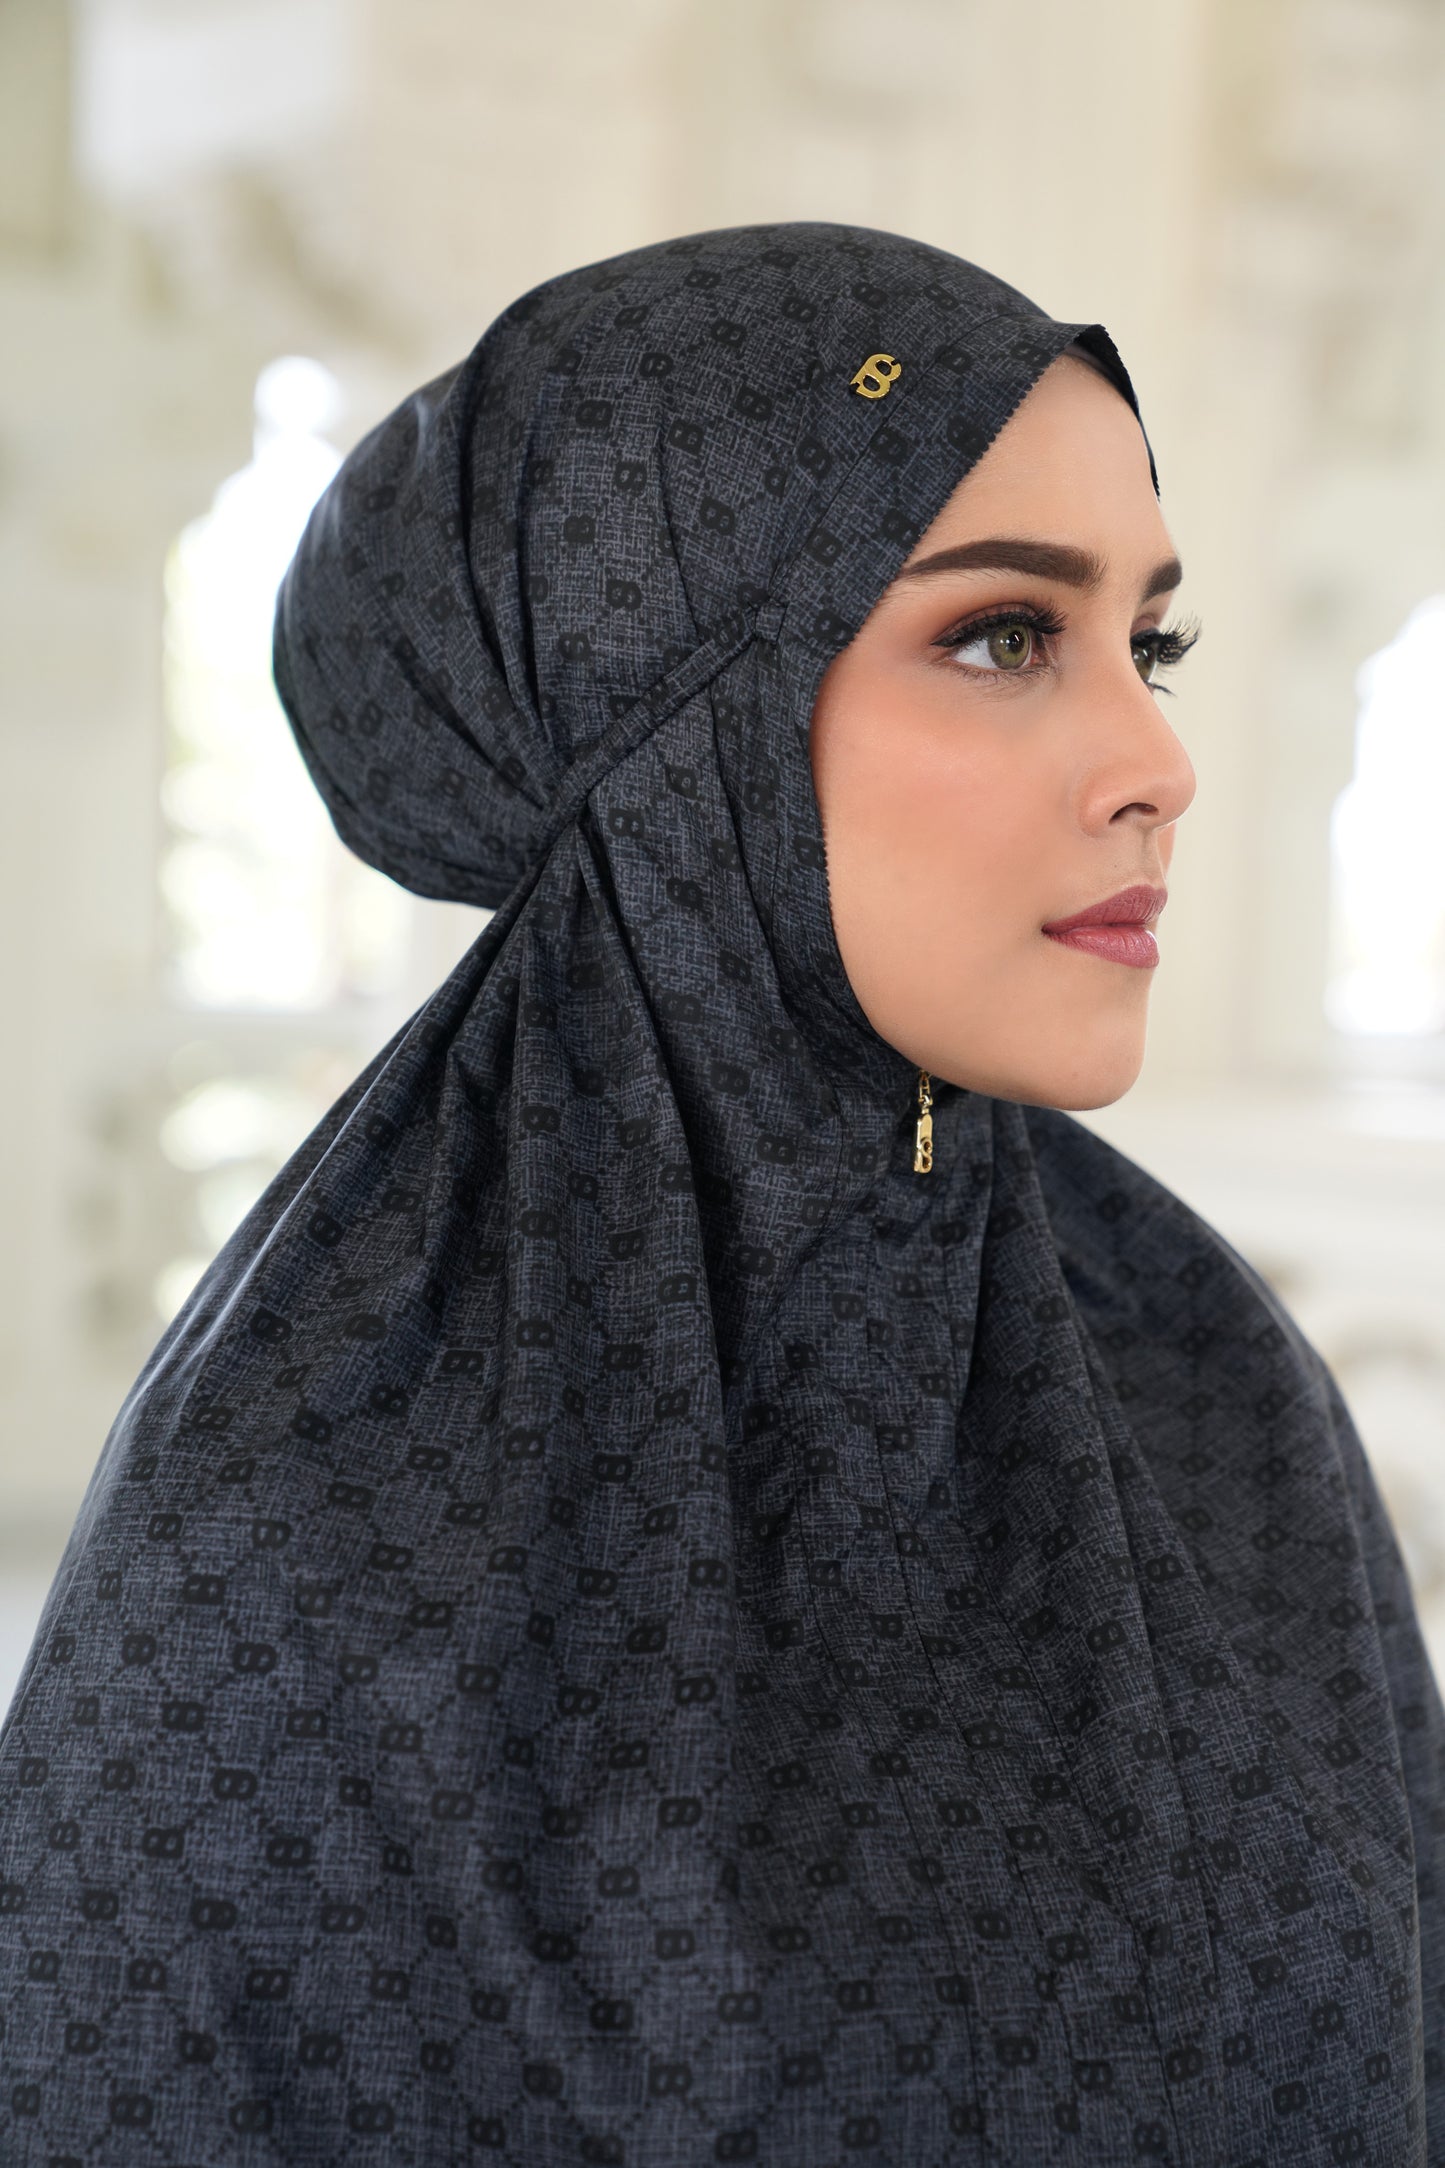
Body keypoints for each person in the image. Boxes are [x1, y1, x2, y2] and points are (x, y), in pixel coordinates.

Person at [1, 221, 1440, 2166]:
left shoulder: (1207, 1387)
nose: (1157, 760)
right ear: (671, 730)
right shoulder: (295, 1540)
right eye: (1004, 636)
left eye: (1149, 642)